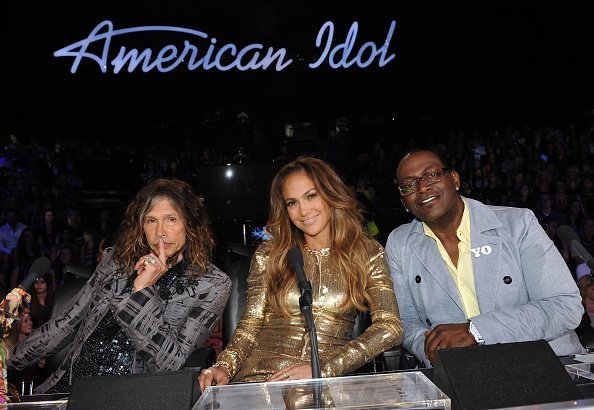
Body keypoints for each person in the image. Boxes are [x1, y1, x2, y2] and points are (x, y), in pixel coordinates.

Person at [8, 178, 231, 393]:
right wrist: (6, 359)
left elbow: (170, 364)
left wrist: (142, 292)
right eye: (151, 220)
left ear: (189, 225)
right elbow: (66, 323)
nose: (160, 232)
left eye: (171, 219)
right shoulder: (118, 261)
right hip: (74, 388)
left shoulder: (211, 284)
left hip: (133, 396)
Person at [199, 156, 402, 390]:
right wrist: (224, 365)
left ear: (331, 194)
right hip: (261, 380)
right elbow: (250, 324)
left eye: (311, 195)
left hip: (323, 382)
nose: (303, 211)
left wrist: (324, 368)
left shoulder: (366, 252)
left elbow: (390, 327)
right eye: (292, 203)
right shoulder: (271, 253)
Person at [385, 150, 585, 368]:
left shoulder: (517, 224)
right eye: (409, 185)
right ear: (404, 202)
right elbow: (404, 321)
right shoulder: (400, 243)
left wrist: (477, 331)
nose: (422, 187)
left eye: (432, 175)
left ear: (454, 179)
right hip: (462, 372)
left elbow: (564, 306)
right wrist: (434, 351)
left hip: (544, 363)